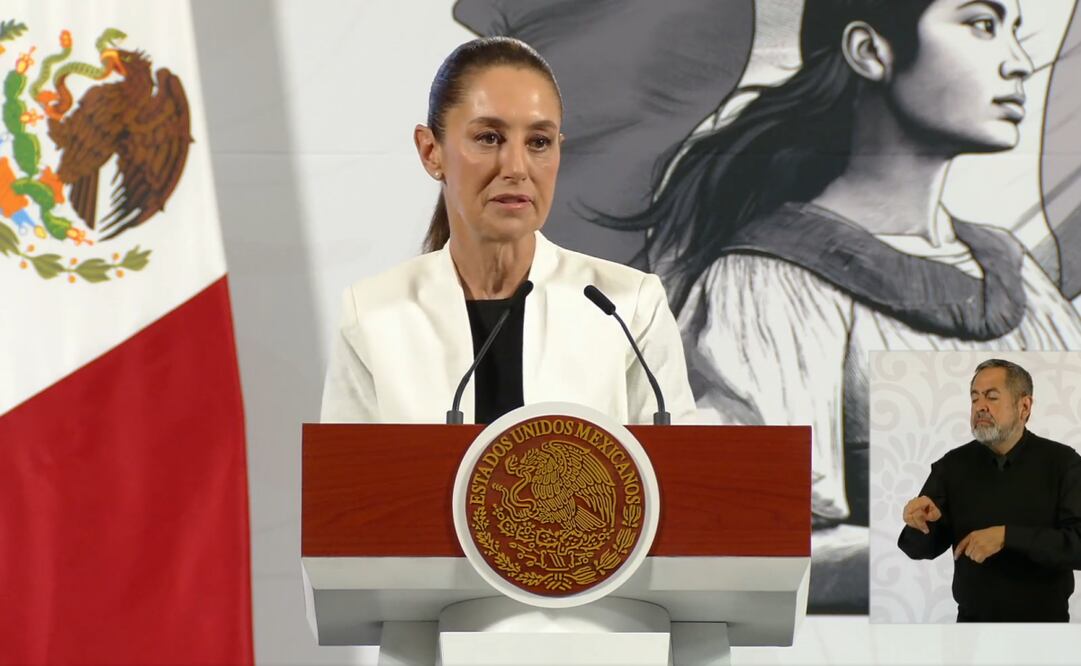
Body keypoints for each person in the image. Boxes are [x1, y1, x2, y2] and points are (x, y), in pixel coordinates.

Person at [604, 0, 1081, 612]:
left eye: (1017, 32)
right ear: (870, 51)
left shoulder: (1017, 273)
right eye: (982, 25)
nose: (1019, 64)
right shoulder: (767, 284)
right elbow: (744, 536)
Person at [320, 37, 695, 426]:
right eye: (489, 138)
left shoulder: (626, 308)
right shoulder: (374, 314)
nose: (516, 167)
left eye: (538, 142)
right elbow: (347, 481)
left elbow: (681, 477)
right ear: (431, 151)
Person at [898, 358, 1081, 622]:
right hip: (971, 630)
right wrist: (920, 523)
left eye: (991, 397)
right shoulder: (951, 466)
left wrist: (1008, 537)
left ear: (1024, 406)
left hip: (1045, 629)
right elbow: (919, 549)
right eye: (974, 398)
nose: (980, 407)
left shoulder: (1064, 463)